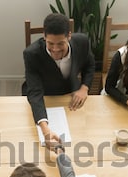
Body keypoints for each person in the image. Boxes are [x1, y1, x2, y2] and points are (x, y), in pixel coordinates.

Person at [22, 13, 95, 149]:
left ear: (69, 36)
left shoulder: (82, 42)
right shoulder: (31, 54)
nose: (55, 49)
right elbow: (35, 92)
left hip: (70, 95)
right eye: (50, 43)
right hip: (44, 96)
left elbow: (90, 65)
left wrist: (84, 88)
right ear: (44, 37)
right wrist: (45, 130)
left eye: (60, 43)